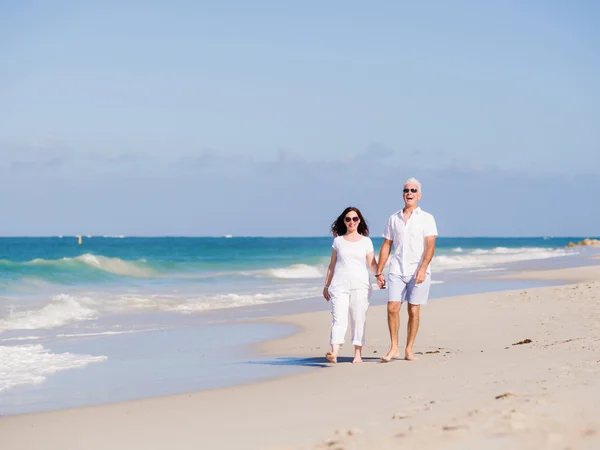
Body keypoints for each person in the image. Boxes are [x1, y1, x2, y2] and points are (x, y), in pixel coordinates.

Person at [375, 177, 438, 362]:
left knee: (413, 310)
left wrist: (423, 268)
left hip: (418, 271)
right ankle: (394, 347)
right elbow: (387, 244)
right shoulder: (393, 218)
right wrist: (379, 272)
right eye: (406, 191)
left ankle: (409, 349)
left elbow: (430, 245)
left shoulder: (427, 218)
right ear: (403, 194)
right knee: (392, 307)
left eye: (412, 190)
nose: (409, 193)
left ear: (419, 195)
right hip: (397, 269)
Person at [323, 206, 378, 364]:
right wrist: (326, 286)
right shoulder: (338, 241)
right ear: (344, 221)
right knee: (338, 318)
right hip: (339, 286)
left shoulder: (366, 241)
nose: (351, 221)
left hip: (361, 285)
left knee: (358, 318)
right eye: (348, 219)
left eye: (355, 218)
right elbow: (332, 265)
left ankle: (358, 354)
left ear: (359, 220)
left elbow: (372, 263)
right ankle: (334, 352)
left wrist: (379, 276)